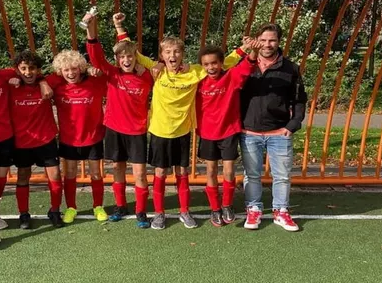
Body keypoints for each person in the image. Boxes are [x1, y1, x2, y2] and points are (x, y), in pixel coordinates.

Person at [114, 18, 248, 229]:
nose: (172, 56)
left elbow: (227, 62)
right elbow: (132, 51)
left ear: (182, 55)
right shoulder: (155, 70)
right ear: (161, 56)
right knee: (159, 173)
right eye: (167, 52)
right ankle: (159, 214)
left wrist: (244, 48)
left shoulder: (195, 71)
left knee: (182, 173)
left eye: (176, 52)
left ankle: (185, 212)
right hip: (159, 132)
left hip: (183, 132)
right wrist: (120, 27)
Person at [85, 14, 154, 228]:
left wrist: (120, 27)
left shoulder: (147, 76)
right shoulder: (112, 75)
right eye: (122, 57)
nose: (126, 60)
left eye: (130, 57)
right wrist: (90, 30)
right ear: (117, 60)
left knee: (140, 173)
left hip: (137, 131)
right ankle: (120, 206)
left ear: (136, 58)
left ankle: (141, 211)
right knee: (117, 168)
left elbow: (155, 67)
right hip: (114, 129)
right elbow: (96, 57)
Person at [240, 23, 308, 231]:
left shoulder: (290, 68)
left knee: (282, 176)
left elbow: (299, 99)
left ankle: (281, 210)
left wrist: (293, 124)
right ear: (256, 40)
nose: (267, 44)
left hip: (279, 131)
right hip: (249, 131)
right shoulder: (244, 65)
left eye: (272, 40)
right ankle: (254, 209)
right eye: (264, 40)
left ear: (279, 42)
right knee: (252, 175)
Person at [195, 40, 260, 227]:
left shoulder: (231, 76)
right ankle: (215, 208)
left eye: (214, 63)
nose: (211, 67)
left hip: (229, 131)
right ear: (202, 66)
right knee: (210, 171)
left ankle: (227, 205)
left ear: (222, 63)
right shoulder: (198, 81)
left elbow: (247, 66)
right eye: (206, 64)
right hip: (207, 133)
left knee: (229, 171)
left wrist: (253, 51)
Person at [45, 50, 108, 224]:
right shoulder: (57, 84)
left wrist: (93, 70)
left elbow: (107, 74)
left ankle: (98, 206)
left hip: (93, 137)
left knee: (96, 174)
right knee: (70, 174)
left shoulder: (95, 82)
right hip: (69, 139)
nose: (71, 73)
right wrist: (44, 83)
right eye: (66, 70)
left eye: (74, 69)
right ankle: (71, 207)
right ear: (60, 71)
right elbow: (42, 80)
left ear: (81, 68)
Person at [7, 49, 64, 229]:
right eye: (23, 68)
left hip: (45, 138)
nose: (28, 72)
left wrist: (43, 81)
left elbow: (67, 72)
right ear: (17, 70)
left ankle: (55, 210)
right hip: (22, 141)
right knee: (23, 175)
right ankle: (24, 213)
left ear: (38, 70)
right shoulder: (11, 86)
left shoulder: (47, 83)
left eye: (32, 68)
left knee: (55, 175)